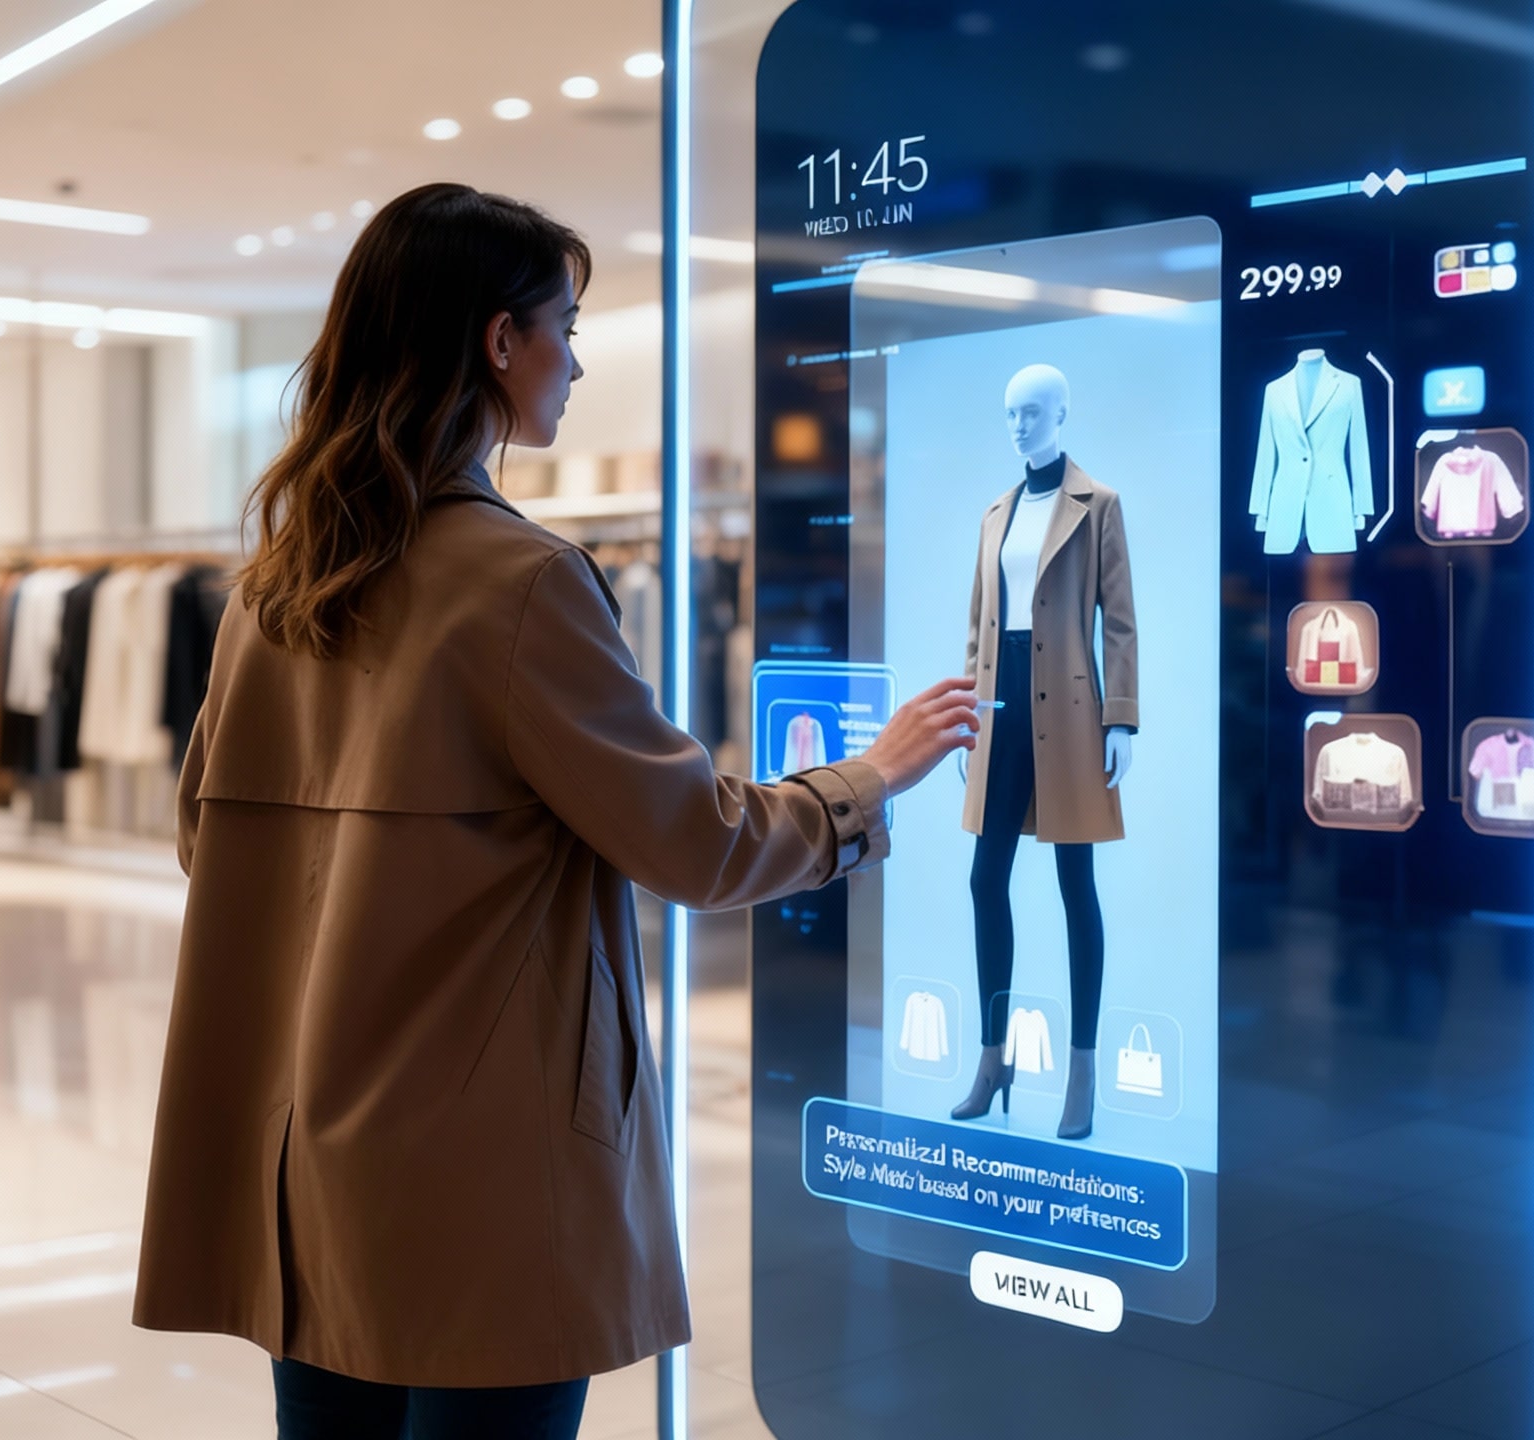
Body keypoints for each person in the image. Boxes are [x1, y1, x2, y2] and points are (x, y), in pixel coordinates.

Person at [131, 182, 979, 1440]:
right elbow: (698, 841)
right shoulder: (525, 583)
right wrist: (871, 780)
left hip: (305, 1159)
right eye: (565, 327)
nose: (575, 362)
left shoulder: (277, 587)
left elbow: (211, 840)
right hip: (483, 1175)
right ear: (497, 342)